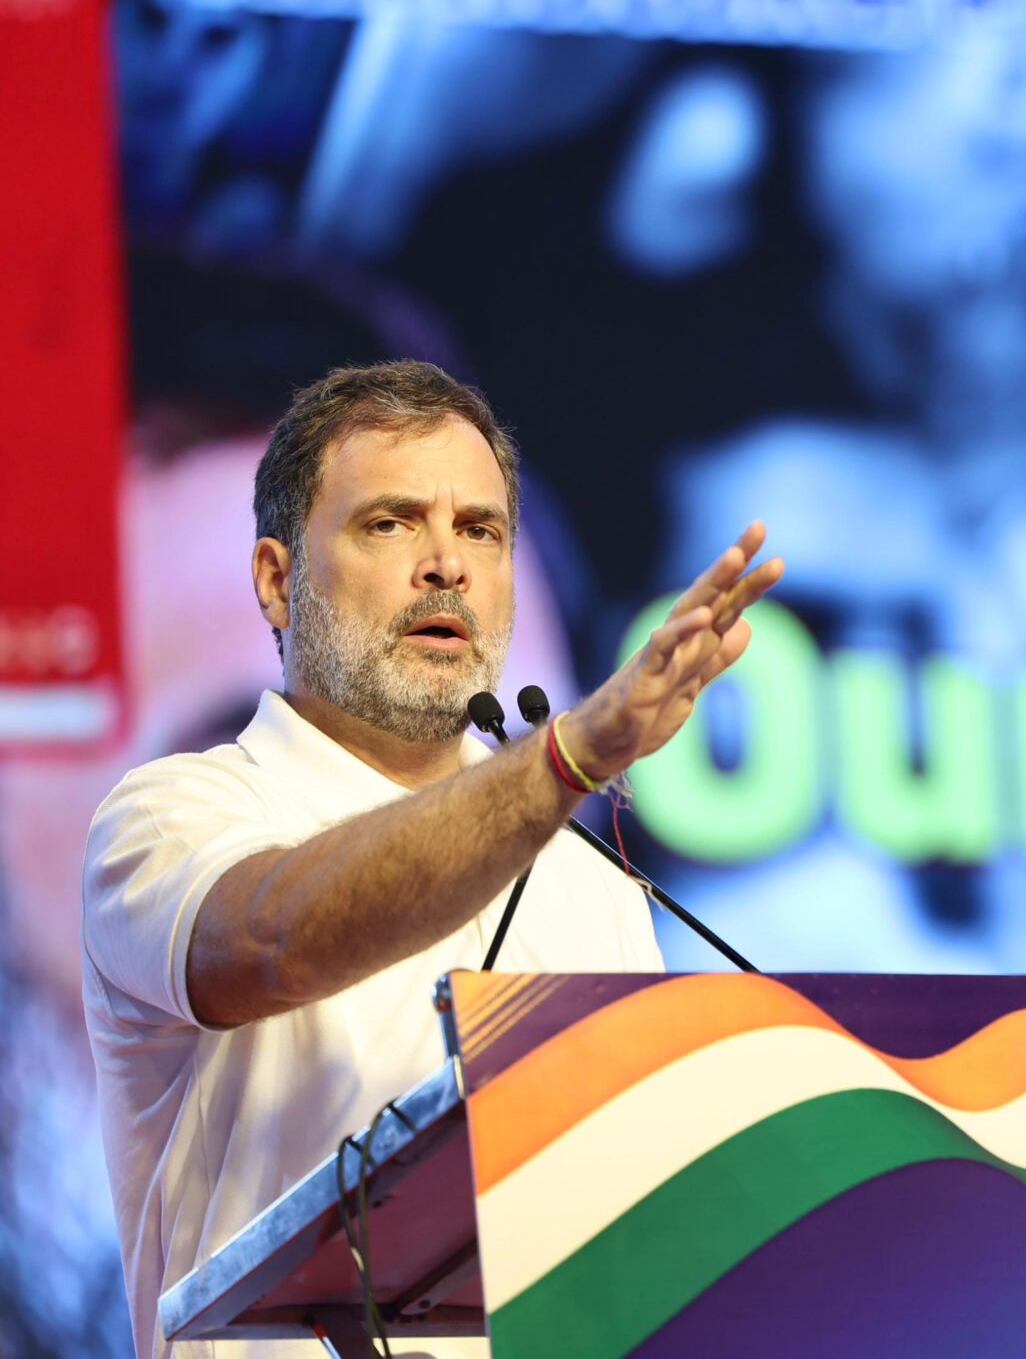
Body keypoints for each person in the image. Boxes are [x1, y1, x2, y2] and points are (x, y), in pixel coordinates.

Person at [80, 360, 783, 1359]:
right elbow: (275, 942)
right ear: (277, 581)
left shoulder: (590, 884)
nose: (447, 563)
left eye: (481, 531)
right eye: (390, 523)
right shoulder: (172, 814)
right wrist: (565, 760)